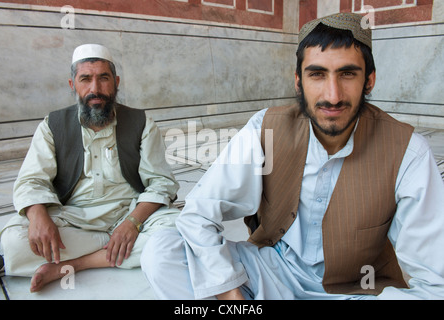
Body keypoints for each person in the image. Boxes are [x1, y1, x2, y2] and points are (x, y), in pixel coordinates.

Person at [141, 13, 444, 299]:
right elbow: (199, 214)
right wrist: (230, 294)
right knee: (163, 250)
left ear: (370, 80)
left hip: (356, 289)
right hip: (273, 271)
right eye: (317, 75)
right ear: (298, 81)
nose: (333, 95)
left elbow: (435, 280)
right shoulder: (266, 128)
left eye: (347, 74)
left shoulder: (408, 152)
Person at [0, 44, 180, 292]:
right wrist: (38, 216)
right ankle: (116, 248)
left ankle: (78, 263)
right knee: (14, 241)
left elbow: (161, 182)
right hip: (75, 220)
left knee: (181, 230)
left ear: (116, 82)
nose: (95, 89)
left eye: (103, 78)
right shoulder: (52, 125)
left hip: (130, 213)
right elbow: (31, 180)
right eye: (85, 79)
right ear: (73, 85)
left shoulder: (141, 122)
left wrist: (132, 224)